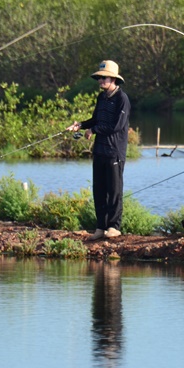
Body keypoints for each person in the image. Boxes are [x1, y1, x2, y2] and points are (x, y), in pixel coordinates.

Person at [67, 60, 130, 240]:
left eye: (104, 78)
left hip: (114, 151)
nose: (100, 81)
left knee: (114, 190)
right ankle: (100, 227)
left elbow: (116, 126)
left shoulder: (122, 99)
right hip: (100, 151)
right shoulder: (101, 98)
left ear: (113, 79)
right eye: (99, 78)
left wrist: (93, 131)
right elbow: (96, 119)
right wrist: (80, 125)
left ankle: (114, 226)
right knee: (99, 189)